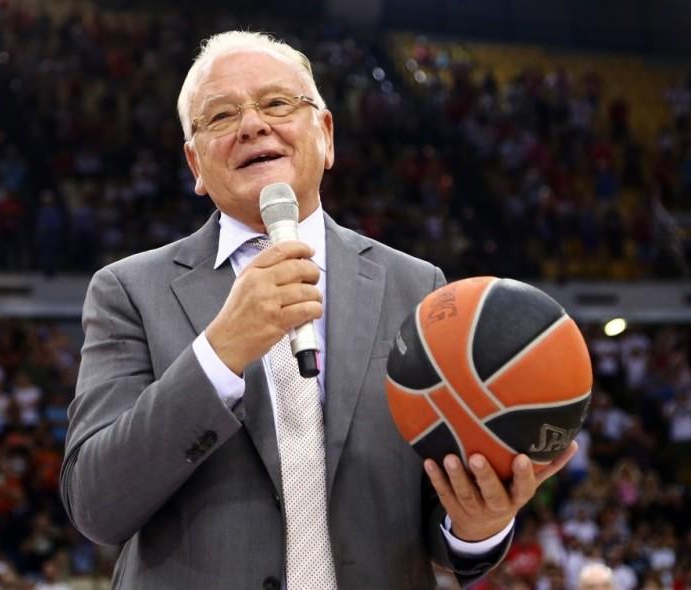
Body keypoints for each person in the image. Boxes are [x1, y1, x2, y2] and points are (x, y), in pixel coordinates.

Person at [59, 30, 577, 589]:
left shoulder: (417, 287)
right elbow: (97, 503)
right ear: (195, 165)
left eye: (277, 103)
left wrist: (477, 525)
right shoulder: (129, 291)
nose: (253, 125)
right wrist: (220, 351)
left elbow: (437, 510)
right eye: (221, 116)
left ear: (326, 136)